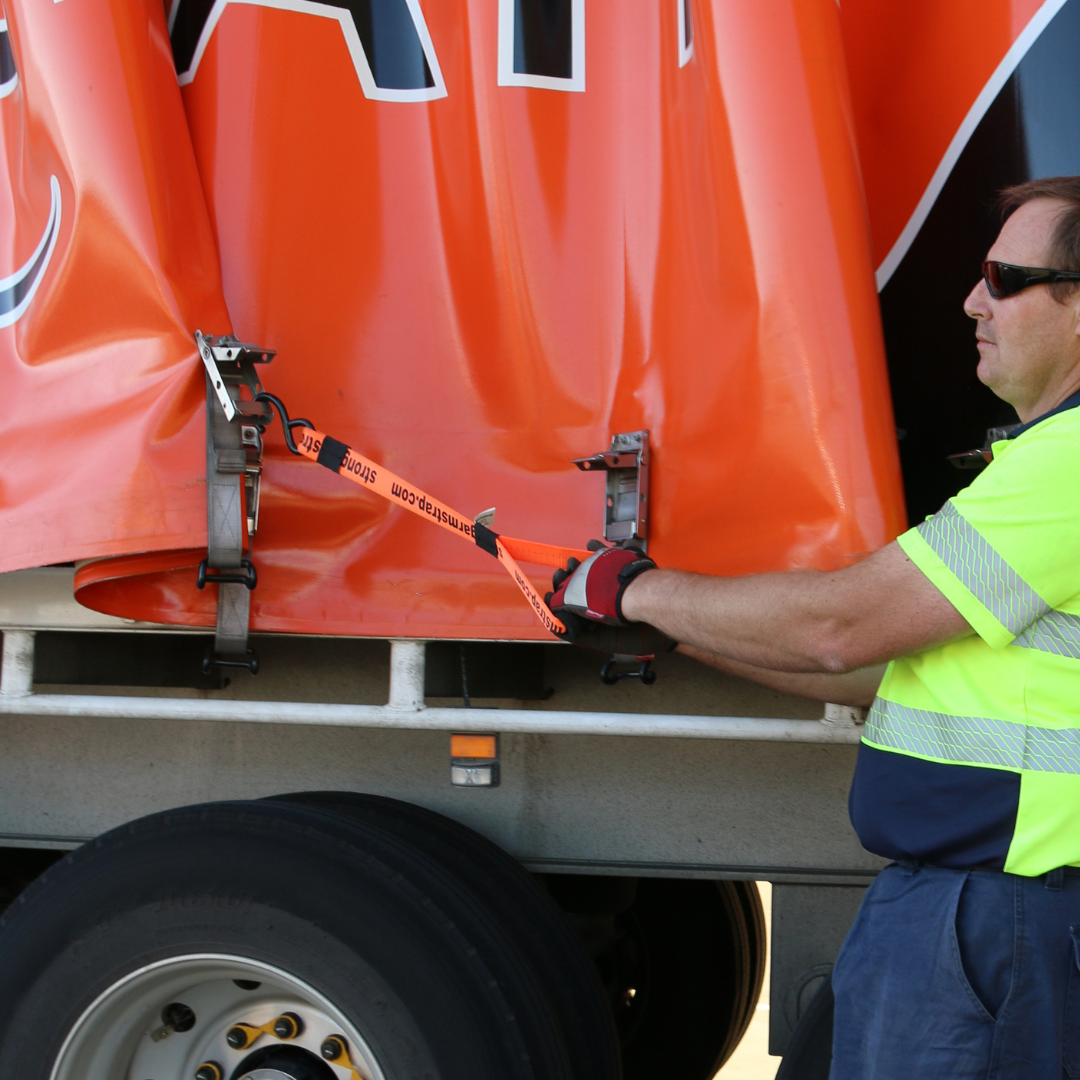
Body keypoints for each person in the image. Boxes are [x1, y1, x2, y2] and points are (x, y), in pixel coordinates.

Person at [548, 177, 1080, 1079]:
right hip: (973, 914)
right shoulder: (1042, 465)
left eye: (1002, 276)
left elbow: (842, 625)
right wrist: (682, 631)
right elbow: (878, 671)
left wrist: (636, 591)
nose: (970, 300)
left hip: (995, 921)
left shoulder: (1066, 470)